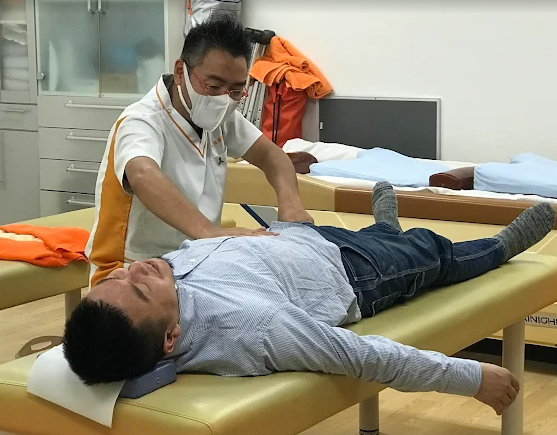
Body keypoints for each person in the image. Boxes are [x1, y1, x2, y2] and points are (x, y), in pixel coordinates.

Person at [64, 183, 556, 415]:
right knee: (436, 253)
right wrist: (472, 378)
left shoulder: (151, 304)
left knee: (389, 238)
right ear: (171, 338)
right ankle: (501, 246)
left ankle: (386, 226)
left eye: (118, 276)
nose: (138, 269)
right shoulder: (254, 328)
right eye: (140, 287)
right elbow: (361, 356)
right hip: (359, 273)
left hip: (301, 238)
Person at [85, 17, 312, 287]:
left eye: (236, 90)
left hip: (196, 261)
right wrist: (210, 232)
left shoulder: (222, 115)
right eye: (213, 86)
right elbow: (143, 174)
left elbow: (271, 156)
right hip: (130, 271)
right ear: (180, 72)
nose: (223, 98)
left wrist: (291, 206)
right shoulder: (141, 121)